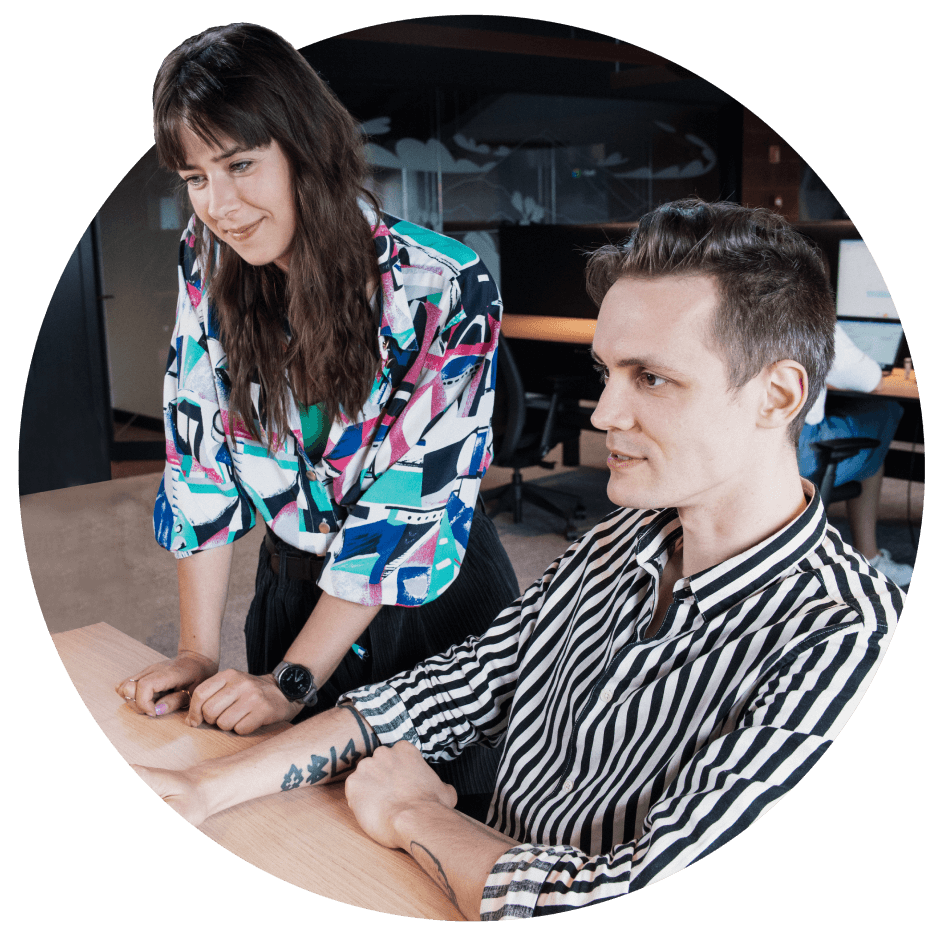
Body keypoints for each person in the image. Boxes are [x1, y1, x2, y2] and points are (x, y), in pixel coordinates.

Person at [135, 199, 903, 920]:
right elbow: (447, 691)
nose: (603, 413)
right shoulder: (612, 545)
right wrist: (201, 790)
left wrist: (414, 814)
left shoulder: (848, 639)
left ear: (778, 396)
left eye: (653, 378)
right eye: (608, 373)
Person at [114, 24, 520, 822]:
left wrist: (290, 683)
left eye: (239, 164)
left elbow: (402, 515)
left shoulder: (444, 287)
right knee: (294, 824)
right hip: (293, 590)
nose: (218, 204)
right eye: (195, 176)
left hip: (429, 603)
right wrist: (199, 653)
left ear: (305, 145)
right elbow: (197, 457)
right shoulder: (206, 262)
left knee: (437, 822)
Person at [797, 322, 912, 587]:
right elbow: (869, 378)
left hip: (735, 456)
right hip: (795, 458)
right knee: (883, 412)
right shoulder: (808, 314)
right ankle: (869, 555)